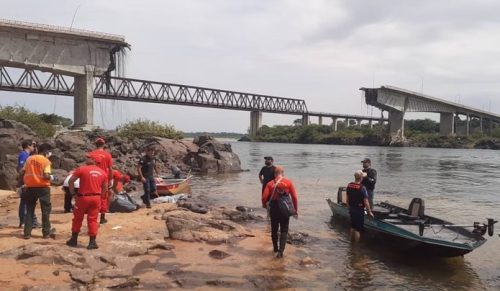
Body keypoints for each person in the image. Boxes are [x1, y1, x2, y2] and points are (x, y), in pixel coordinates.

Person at [66, 153, 108, 250]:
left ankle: (74, 240)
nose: (86, 158)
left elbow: (71, 181)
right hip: (96, 197)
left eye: (89, 158)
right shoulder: (102, 172)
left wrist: (73, 194)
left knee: (77, 218)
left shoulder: (82, 169)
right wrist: (101, 197)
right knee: (93, 219)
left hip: (83, 197)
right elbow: (105, 188)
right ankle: (92, 242)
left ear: (93, 160)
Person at [261, 166, 298, 258]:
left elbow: (264, 198)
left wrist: (264, 205)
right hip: (285, 208)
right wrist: (295, 210)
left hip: (274, 208)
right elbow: (294, 197)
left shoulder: (270, 183)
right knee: (284, 230)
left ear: (274, 174)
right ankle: (281, 252)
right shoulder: (288, 182)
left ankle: (275, 249)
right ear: (283, 174)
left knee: (274, 229)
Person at [19, 143, 55, 239]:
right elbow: (46, 175)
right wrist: (53, 177)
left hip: (30, 187)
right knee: (45, 210)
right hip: (43, 188)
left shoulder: (29, 159)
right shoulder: (46, 161)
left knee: (30, 210)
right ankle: (46, 232)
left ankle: (27, 233)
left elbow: (22, 171)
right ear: (46, 151)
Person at [87, 137, 113, 224]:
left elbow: (87, 166)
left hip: (92, 177)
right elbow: (110, 169)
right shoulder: (108, 155)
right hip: (103, 177)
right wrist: (111, 180)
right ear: (103, 145)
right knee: (103, 197)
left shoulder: (90, 154)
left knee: (92, 195)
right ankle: (102, 217)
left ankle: (92, 216)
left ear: (95, 144)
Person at [347, 170, 374, 243]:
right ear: (361, 178)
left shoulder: (349, 185)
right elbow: (366, 202)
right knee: (357, 229)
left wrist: (349, 208)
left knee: (352, 227)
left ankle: (351, 243)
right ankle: (355, 247)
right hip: (359, 210)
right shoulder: (362, 188)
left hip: (352, 209)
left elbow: (347, 199)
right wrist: (369, 212)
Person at [17, 139, 39, 228]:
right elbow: (21, 168)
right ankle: (23, 221)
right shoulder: (23, 155)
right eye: (33, 146)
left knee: (27, 201)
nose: (34, 147)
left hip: (28, 180)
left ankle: (27, 220)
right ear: (28, 146)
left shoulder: (28, 155)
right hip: (25, 181)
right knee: (24, 201)